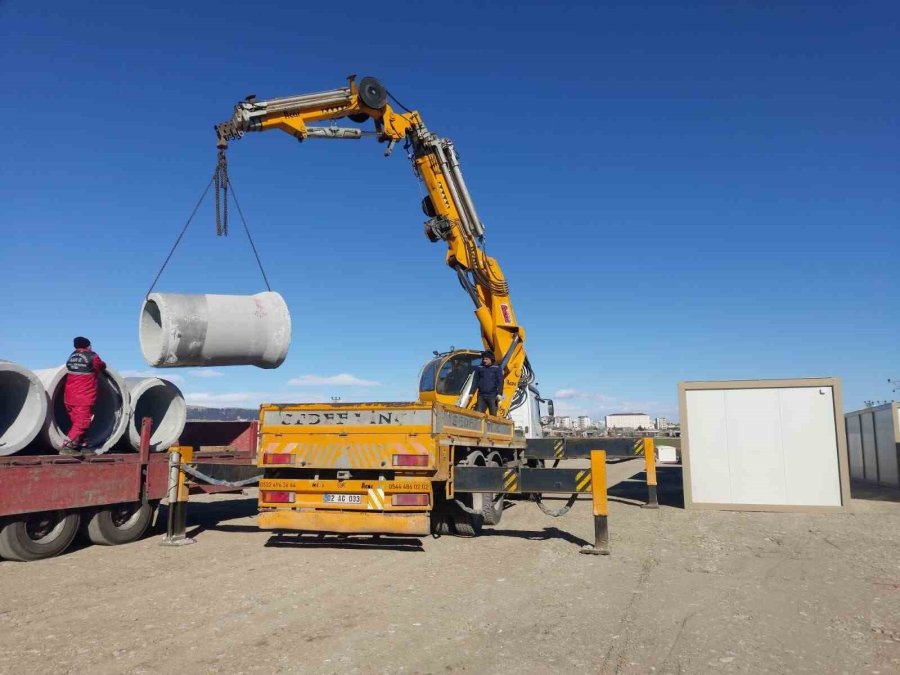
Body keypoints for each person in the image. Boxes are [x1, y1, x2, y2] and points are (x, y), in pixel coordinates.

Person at [61, 336, 107, 456]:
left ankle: (82, 446)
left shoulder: (72, 356)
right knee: (83, 422)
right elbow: (100, 366)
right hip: (83, 396)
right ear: (88, 345)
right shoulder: (92, 356)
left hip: (69, 396)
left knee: (77, 422)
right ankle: (67, 446)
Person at [472, 350, 503, 416]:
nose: (484, 360)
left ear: (491, 359)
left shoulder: (497, 368)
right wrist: (471, 392)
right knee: (479, 415)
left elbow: (500, 381)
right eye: (483, 359)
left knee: (493, 415)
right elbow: (475, 380)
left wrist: (499, 393)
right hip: (481, 396)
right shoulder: (480, 368)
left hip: (492, 396)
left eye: (486, 359)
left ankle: (493, 426)